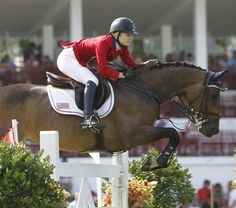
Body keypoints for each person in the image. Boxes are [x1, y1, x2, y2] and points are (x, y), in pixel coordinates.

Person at [57, 17, 156, 133]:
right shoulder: (103, 43)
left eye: (131, 35)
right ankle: (88, 118)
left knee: (95, 79)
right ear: (117, 34)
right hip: (68, 59)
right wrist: (122, 76)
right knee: (92, 80)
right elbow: (103, 70)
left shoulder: (122, 47)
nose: (131, 38)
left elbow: (131, 65)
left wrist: (146, 65)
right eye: (128, 34)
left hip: (79, 60)